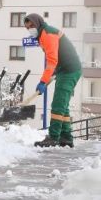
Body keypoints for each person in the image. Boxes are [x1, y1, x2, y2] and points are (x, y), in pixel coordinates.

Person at [24, 13, 82, 147]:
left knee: (57, 104)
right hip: (64, 70)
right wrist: (54, 72)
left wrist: (43, 81)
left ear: (38, 23)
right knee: (62, 105)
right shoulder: (42, 34)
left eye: (32, 25)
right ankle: (66, 137)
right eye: (27, 27)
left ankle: (54, 137)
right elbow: (56, 56)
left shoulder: (47, 34)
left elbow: (51, 61)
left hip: (70, 71)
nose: (30, 29)